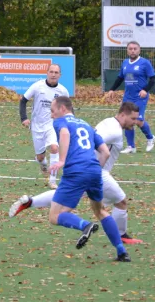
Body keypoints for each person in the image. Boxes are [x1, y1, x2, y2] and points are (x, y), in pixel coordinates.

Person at [9, 102, 144, 245]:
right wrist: (88, 165)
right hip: (96, 171)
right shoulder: (114, 131)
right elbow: (92, 142)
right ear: (123, 115)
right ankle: (121, 237)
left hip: (86, 169)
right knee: (120, 202)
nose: (136, 122)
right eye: (133, 118)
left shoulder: (109, 122)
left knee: (67, 195)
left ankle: (31, 201)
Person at [34, 96, 130, 262]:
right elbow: (105, 153)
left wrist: (62, 160)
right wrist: (93, 170)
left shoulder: (60, 122)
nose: (51, 115)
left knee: (54, 216)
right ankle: (121, 251)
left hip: (75, 172)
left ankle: (84, 225)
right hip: (94, 170)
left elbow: (64, 134)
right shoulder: (86, 125)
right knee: (100, 211)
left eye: (52, 110)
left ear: (63, 109)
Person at [19, 64, 69, 189]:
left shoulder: (63, 91)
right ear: (47, 73)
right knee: (40, 157)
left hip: (53, 125)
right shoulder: (37, 86)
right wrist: (24, 118)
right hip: (37, 126)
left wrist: (69, 123)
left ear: (60, 75)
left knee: (54, 147)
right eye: (51, 72)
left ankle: (52, 180)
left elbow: (68, 109)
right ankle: (43, 164)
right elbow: (23, 100)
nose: (53, 74)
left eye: (56, 72)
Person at [106, 41, 155, 154]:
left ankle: (150, 138)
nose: (133, 50)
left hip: (140, 97)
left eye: (135, 48)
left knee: (138, 120)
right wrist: (112, 89)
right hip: (128, 97)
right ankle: (131, 146)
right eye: (130, 48)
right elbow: (120, 78)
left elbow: (153, 79)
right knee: (126, 121)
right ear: (127, 50)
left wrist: (145, 90)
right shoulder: (125, 63)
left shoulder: (145, 63)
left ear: (139, 50)